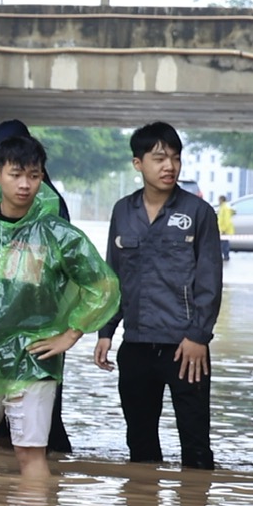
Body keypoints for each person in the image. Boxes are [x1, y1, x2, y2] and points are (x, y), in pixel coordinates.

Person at [0, 132, 120, 480]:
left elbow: (103, 285)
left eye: (33, 176)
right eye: (16, 174)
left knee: (29, 452)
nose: (25, 184)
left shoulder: (59, 235)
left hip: (34, 358)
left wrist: (70, 334)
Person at [93, 122, 224, 470]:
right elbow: (114, 275)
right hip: (135, 345)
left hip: (185, 348)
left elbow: (210, 281)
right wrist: (106, 331)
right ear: (138, 164)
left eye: (176, 158)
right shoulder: (123, 211)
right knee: (139, 445)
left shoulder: (199, 214)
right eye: (159, 158)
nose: (170, 166)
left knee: (196, 448)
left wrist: (198, 336)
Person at [0, 118, 77, 456]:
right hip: (6, 329)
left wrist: (69, 332)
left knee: (36, 429)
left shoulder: (45, 205)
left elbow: (74, 275)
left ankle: (41, 492)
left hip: (36, 326)